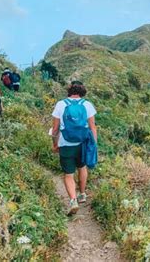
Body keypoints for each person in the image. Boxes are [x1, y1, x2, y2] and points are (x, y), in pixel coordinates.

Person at [51, 81, 97, 215]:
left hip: (66, 144)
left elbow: (55, 129)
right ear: (82, 92)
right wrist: (93, 145)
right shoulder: (87, 105)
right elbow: (93, 127)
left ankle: (73, 201)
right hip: (82, 143)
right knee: (82, 167)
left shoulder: (61, 104)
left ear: (69, 91)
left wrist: (55, 144)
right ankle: (82, 194)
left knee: (68, 174)